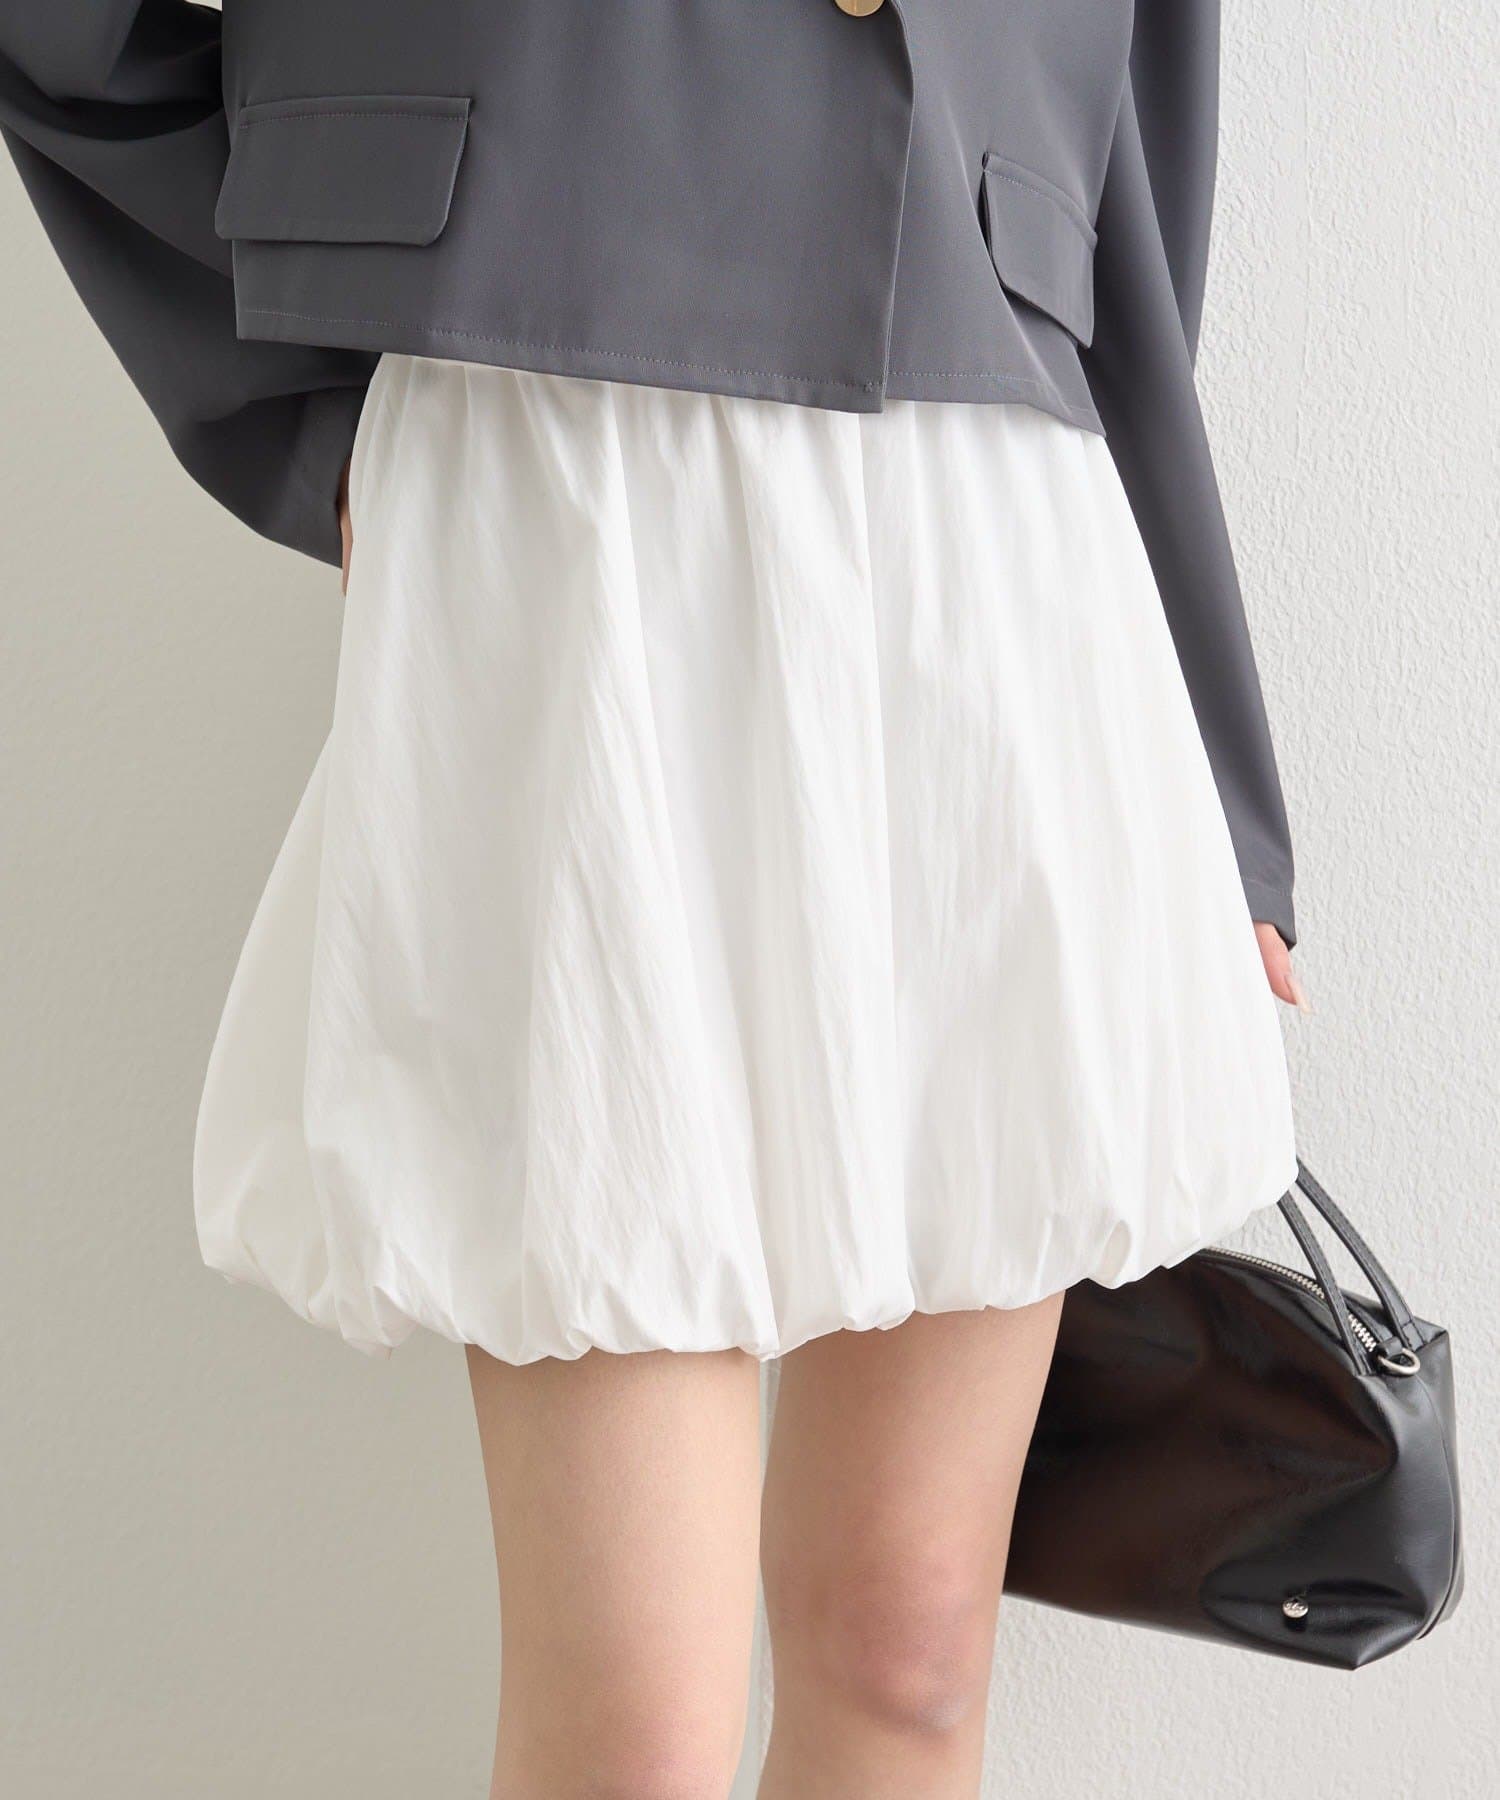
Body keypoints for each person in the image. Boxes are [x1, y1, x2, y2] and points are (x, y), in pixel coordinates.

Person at [3, 3, 1305, 1792]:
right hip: (566, 475)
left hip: (999, 521)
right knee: (635, 1725)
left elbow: (1136, 145)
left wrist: (1213, 774)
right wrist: (304, 399)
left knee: (913, 1642)